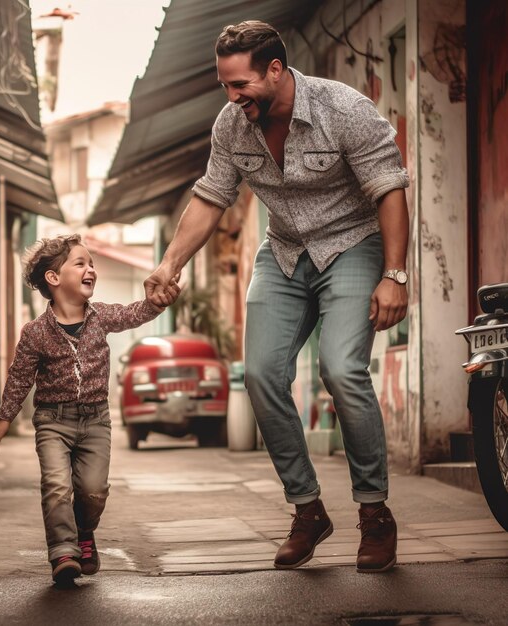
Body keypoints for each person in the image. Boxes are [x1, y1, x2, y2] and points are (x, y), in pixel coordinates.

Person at [144, 21, 409, 573]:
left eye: (241, 85)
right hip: (285, 253)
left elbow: (389, 188)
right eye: (225, 86)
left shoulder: (343, 109)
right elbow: (211, 196)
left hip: (352, 246)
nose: (232, 97)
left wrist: (395, 275)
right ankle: (308, 509)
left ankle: (374, 514)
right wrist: (169, 265)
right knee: (260, 374)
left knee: (341, 369)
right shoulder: (232, 126)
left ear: (275, 69)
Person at [0, 234, 179, 585]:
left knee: (93, 490)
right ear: (54, 278)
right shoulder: (35, 333)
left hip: (96, 422)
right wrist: (4, 417)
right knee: (57, 485)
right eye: (80, 263)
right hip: (52, 422)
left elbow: (133, 313)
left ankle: (84, 530)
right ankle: (63, 551)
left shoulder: (101, 316)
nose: (90, 269)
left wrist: (157, 303)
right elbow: (20, 376)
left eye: (91, 263)